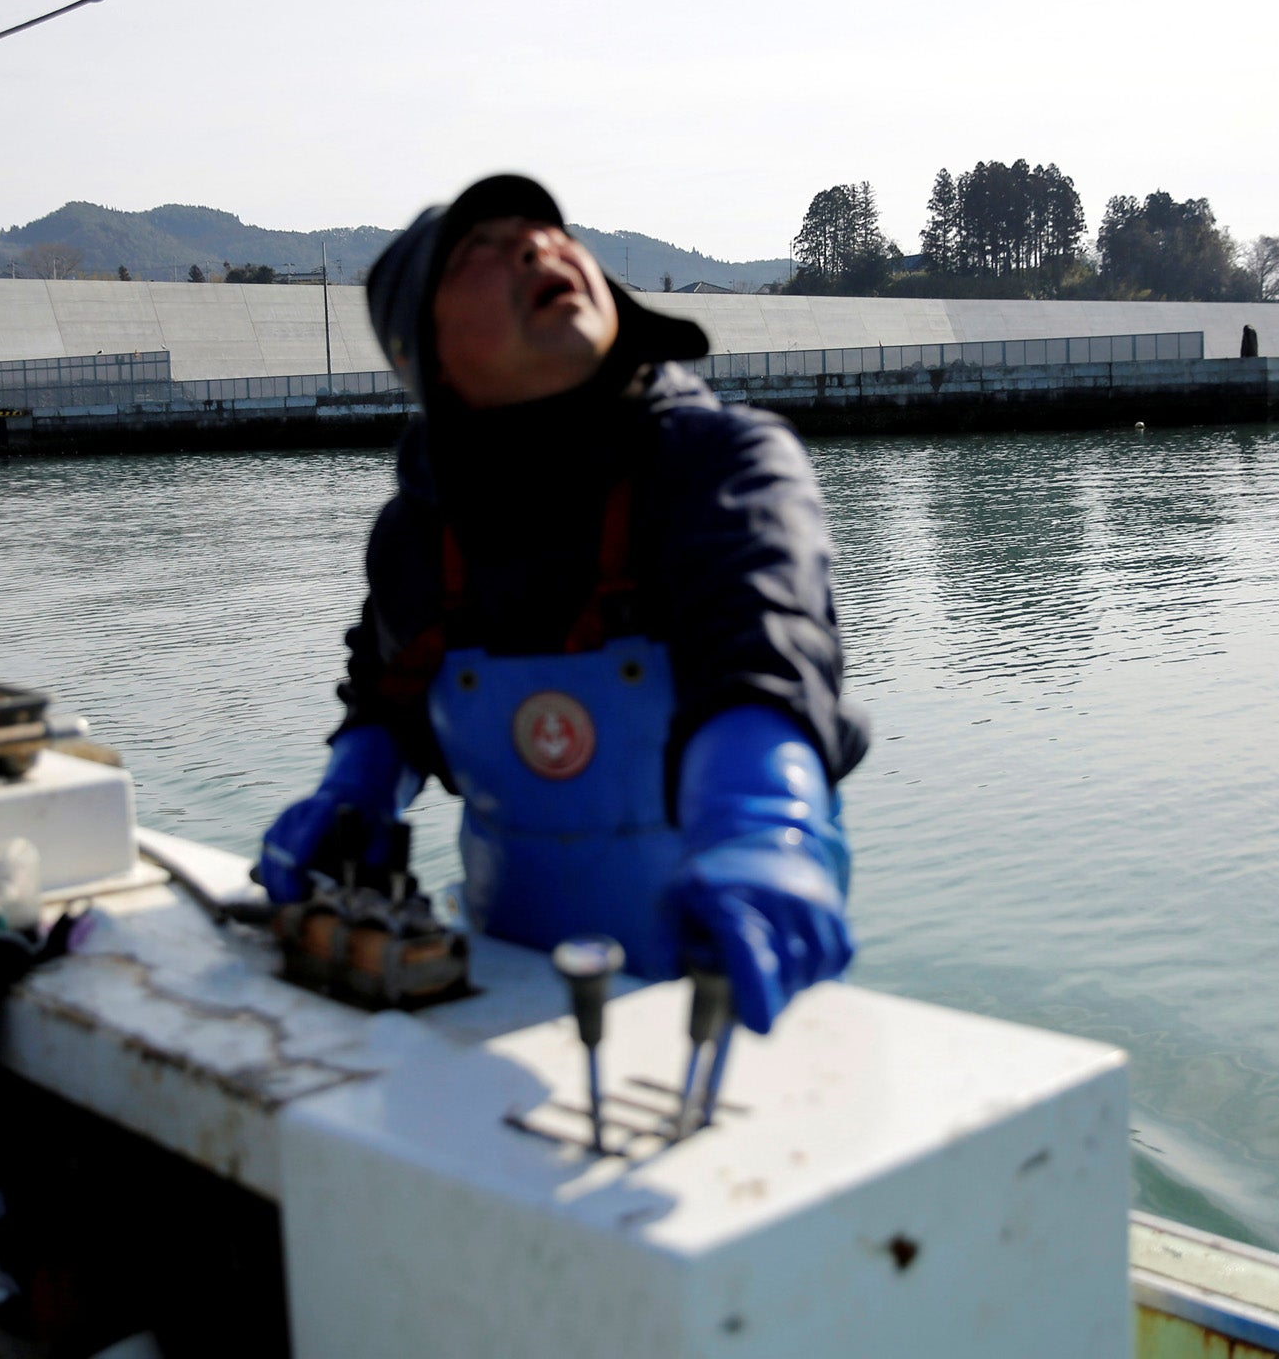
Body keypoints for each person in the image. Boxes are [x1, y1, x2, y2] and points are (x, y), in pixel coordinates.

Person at [256, 176, 866, 1034]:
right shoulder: (418, 534)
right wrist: (352, 793)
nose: (538, 248)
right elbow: (391, 693)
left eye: (547, 232)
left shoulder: (721, 463)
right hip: (503, 987)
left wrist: (770, 829)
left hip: (734, 981)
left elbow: (765, 651)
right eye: (482, 250)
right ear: (420, 352)